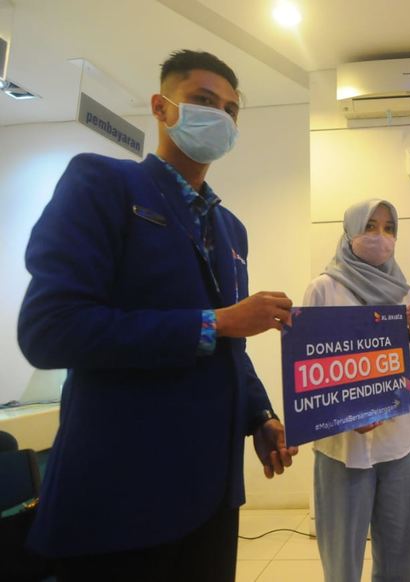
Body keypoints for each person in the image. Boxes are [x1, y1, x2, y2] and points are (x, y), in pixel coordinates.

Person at [17, 50, 298, 581]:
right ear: (161, 107)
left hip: (213, 497)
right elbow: (50, 329)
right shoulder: (104, 184)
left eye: (231, 110)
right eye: (203, 101)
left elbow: (231, 346)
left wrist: (260, 416)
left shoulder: (231, 229)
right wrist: (216, 322)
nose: (220, 117)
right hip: (121, 499)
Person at [303, 199, 410, 582]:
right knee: (342, 558)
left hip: (398, 441)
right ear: (350, 231)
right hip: (343, 447)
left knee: (399, 555)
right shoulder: (323, 289)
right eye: (370, 226)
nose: (381, 236)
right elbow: (307, 373)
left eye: (389, 228)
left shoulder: (404, 291)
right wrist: (347, 416)